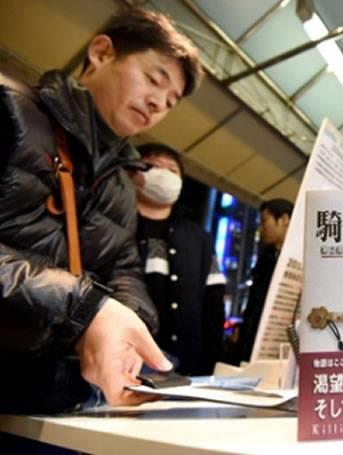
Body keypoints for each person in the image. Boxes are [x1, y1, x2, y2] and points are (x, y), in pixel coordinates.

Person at [0, 7, 202, 412]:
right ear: (101, 52)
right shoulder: (12, 111)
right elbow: (89, 301)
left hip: (47, 396)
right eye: (153, 79)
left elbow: (125, 271)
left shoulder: (122, 185)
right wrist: (86, 307)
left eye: (170, 101)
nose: (156, 104)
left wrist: (125, 322)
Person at [132, 143, 226, 376]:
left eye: (172, 170)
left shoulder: (199, 238)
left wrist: (209, 365)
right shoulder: (114, 224)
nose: (163, 174)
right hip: (126, 361)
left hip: (186, 366)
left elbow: (214, 303)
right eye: (152, 166)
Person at [230, 199, 293, 365]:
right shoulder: (265, 259)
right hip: (252, 347)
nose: (261, 228)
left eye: (265, 221)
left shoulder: (303, 256)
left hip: (282, 349)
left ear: (284, 219)